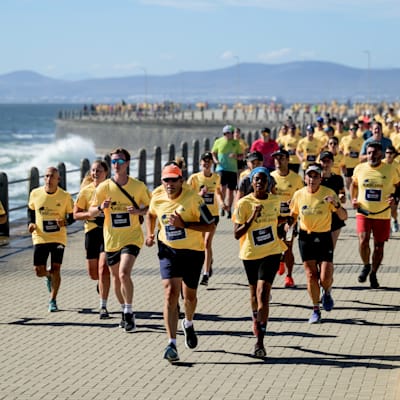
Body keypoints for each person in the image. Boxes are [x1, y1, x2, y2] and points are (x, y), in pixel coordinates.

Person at [145, 164, 215, 363]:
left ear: (181, 181)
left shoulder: (194, 199)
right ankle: (171, 343)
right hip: (169, 251)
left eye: (173, 180)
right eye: (166, 180)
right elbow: (150, 214)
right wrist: (150, 234)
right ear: (162, 181)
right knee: (170, 293)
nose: (169, 184)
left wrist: (184, 225)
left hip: (193, 252)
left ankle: (189, 322)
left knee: (189, 297)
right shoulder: (157, 196)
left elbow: (210, 224)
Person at [89, 148, 150, 333]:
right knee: (116, 278)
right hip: (111, 239)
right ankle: (124, 309)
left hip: (132, 237)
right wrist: (100, 207)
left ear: (128, 163)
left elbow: (150, 207)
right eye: (114, 161)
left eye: (121, 161)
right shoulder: (103, 187)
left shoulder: (138, 186)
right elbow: (91, 212)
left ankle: (129, 312)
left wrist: (138, 212)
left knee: (124, 273)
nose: (116, 164)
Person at [233, 167, 287, 358]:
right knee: (254, 297)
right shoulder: (244, 203)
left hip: (271, 251)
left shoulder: (274, 201)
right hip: (250, 254)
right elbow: (236, 233)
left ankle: (260, 342)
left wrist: (285, 225)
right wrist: (252, 218)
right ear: (251, 182)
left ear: (269, 184)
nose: (259, 183)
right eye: (256, 179)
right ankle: (256, 318)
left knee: (263, 294)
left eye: (263, 180)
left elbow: (280, 219)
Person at [288, 164, 347, 323]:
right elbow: (293, 215)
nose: (312, 179)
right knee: (310, 275)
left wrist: (335, 204)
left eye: (316, 176)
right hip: (305, 238)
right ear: (305, 178)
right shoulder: (299, 195)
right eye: (309, 176)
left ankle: (326, 292)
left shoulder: (328, 193)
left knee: (325, 277)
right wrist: (286, 227)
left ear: (321, 178)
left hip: (324, 237)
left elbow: (343, 216)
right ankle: (315, 309)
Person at [351, 141, 400, 288]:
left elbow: (398, 186)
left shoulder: (390, 170)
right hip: (364, 212)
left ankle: (373, 273)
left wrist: (395, 198)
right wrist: (353, 198)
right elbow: (354, 185)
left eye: (374, 152)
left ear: (381, 153)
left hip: (382, 213)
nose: (371, 155)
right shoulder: (360, 168)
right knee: (363, 240)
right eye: (369, 152)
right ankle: (366, 265)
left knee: (379, 247)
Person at [28, 166, 74, 312]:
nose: (48, 179)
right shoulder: (35, 193)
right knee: (38, 270)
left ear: (58, 179)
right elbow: (31, 209)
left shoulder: (65, 196)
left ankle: (53, 300)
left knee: (56, 268)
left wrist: (65, 222)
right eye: (46, 176)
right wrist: (31, 223)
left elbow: (72, 216)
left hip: (58, 237)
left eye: (52, 176)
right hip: (40, 236)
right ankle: (47, 276)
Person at [73, 160, 111, 319]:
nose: (96, 173)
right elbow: (75, 214)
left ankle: (103, 306)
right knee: (94, 274)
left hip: (108, 232)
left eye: (99, 170)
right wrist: (89, 214)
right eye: (94, 170)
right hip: (91, 232)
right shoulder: (85, 191)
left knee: (103, 268)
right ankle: (100, 284)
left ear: (106, 173)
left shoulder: (112, 188)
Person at [187, 152, 228, 286]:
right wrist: (200, 194)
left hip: (212, 215)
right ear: (200, 163)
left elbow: (218, 192)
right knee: (200, 243)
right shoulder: (194, 178)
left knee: (206, 243)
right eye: (204, 161)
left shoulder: (216, 177)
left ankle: (205, 274)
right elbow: (187, 196)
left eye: (209, 161)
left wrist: (222, 203)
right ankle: (208, 261)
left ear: (212, 163)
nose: (206, 163)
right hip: (198, 214)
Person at [270, 149, 304, 287]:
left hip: (290, 219)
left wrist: (294, 204)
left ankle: (289, 276)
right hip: (273, 219)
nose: (278, 161)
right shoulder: (270, 177)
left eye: (281, 158)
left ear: (288, 160)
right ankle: (280, 262)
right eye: (276, 158)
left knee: (289, 247)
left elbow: (302, 197)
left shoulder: (296, 178)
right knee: (273, 248)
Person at [211, 125, 242, 219]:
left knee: (231, 190)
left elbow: (241, 156)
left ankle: (228, 209)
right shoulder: (218, 141)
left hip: (232, 169)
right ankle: (222, 206)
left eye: (228, 133)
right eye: (224, 133)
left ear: (232, 133)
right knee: (222, 188)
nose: (226, 135)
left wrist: (235, 156)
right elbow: (213, 152)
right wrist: (216, 161)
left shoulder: (236, 143)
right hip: (221, 168)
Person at [319, 151, 347, 249]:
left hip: (335, 216)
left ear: (332, 162)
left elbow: (343, 198)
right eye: (323, 161)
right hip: (319, 216)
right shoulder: (315, 179)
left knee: (330, 250)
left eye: (328, 161)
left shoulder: (338, 179)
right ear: (320, 162)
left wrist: (341, 196)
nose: (325, 164)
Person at [340, 122, 364, 193]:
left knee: (356, 181)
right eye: (351, 129)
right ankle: (350, 193)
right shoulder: (344, 139)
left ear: (357, 130)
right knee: (348, 182)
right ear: (349, 131)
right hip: (347, 164)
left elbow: (363, 152)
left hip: (357, 164)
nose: (353, 131)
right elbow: (340, 149)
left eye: (355, 129)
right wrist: (343, 152)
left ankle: (354, 194)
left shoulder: (361, 140)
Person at [382, 145, 400, 232]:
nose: (388, 155)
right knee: (385, 210)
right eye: (386, 153)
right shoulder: (381, 163)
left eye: (390, 153)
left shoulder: (397, 165)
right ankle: (387, 227)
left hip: (395, 190)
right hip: (384, 190)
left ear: (393, 155)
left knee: (393, 210)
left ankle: (395, 220)